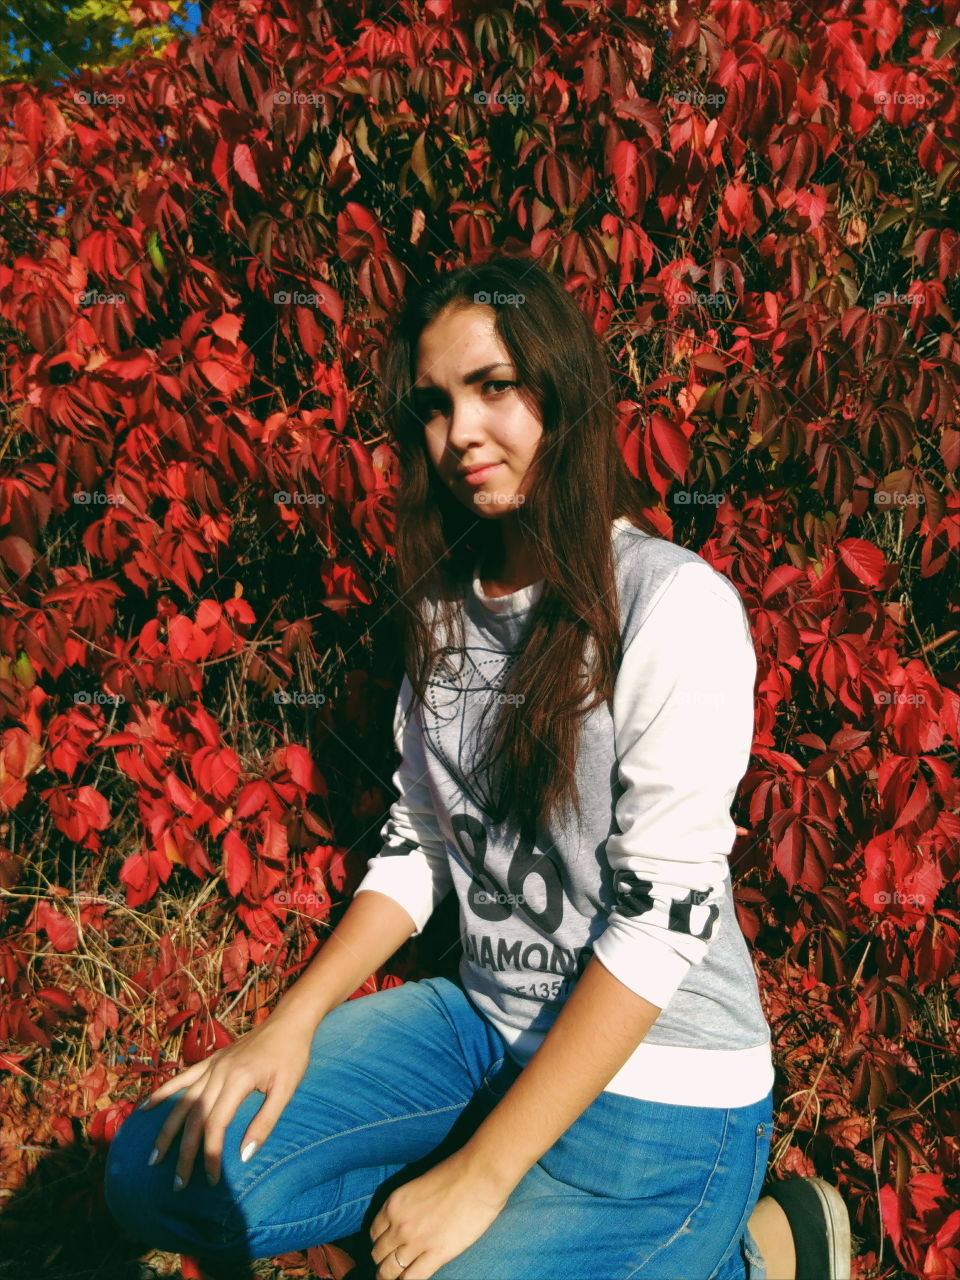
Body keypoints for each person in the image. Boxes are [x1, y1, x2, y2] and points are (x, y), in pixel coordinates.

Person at [103, 255, 852, 1279]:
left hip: (663, 1084)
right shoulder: (444, 609)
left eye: (494, 387)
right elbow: (418, 844)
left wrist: (485, 1173)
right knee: (159, 1165)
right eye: (434, 402)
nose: (459, 432)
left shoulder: (673, 608)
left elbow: (660, 918)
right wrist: (283, 1027)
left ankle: (762, 1248)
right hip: (484, 1029)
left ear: (562, 389)